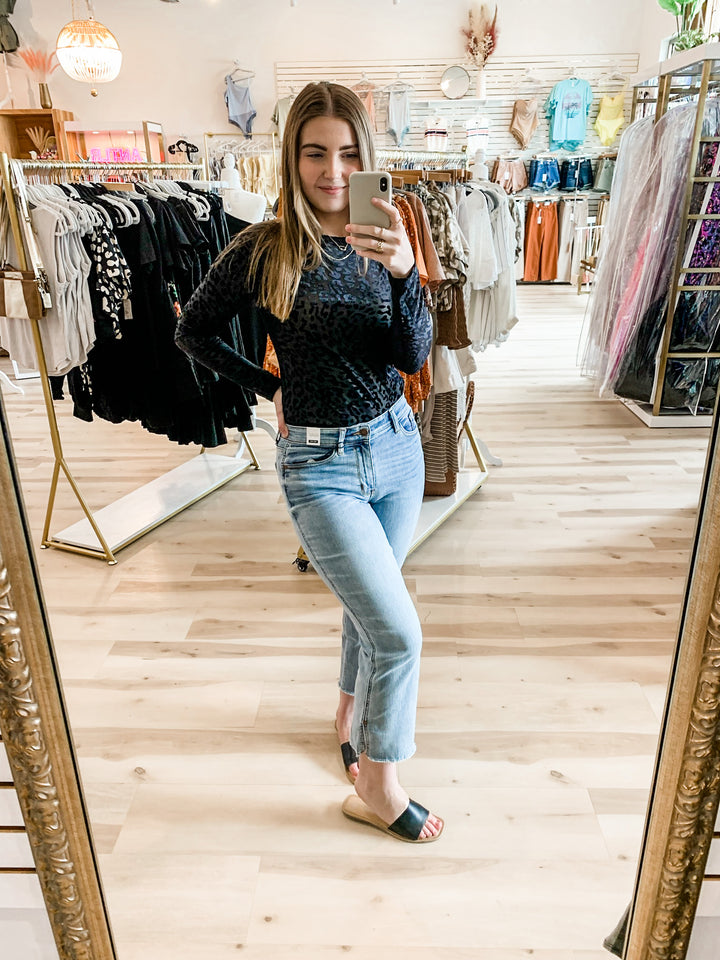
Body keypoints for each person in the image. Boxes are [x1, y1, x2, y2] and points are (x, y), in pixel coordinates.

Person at [176, 81, 443, 844]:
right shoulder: (264, 248)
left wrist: (405, 276)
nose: (333, 172)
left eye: (349, 154)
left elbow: (412, 354)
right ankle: (379, 788)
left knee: (370, 610)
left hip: (396, 446)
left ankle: (348, 715)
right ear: (291, 156)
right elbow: (193, 331)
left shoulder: (387, 237)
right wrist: (271, 387)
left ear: (368, 157)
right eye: (315, 152)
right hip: (319, 466)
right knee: (399, 632)